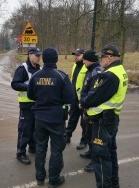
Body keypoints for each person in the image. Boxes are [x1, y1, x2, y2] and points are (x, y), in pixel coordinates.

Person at [79, 45, 128, 188]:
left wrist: (83, 103)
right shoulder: (120, 71)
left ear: (109, 57)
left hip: (102, 122)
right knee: (110, 154)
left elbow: (95, 96)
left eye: (102, 57)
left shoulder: (110, 75)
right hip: (111, 119)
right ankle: (114, 184)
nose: (100, 60)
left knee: (100, 159)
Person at [27, 48, 75, 187]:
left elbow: (30, 95)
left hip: (40, 119)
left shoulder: (36, 75)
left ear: (43, 59)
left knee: (40, 148)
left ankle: (40, 178)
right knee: (56, 149)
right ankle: (54, 179)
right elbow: (70, 98)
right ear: (56, 60)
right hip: (56, 119)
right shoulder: (61, 76)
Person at [11, 47, 42, 165]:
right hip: (26, 104)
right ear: (30, 55)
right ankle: (20, 153)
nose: (39, 57)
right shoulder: (22, 68)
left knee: (35, 128)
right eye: (37, 55)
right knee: (24, 129)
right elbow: (14, 84)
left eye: (40, 56)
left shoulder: (40, 69)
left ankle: (32, 147)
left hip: (37, 104)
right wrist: (29, 87)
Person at [78, 50, 103, 173]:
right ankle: (91, 152)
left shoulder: (97, 72)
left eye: (85, 60)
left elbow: (94, 93)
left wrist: (84, 103)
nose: (83, 62)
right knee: (87, 132)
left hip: (92, 110)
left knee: (94, 136)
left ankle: (95, 161)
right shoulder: (90, 70)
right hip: (86, 108)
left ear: (90, 60)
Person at [65, 48, 88, 150]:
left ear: (83, 56)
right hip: (74, 98)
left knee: (84, 123)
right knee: (72, 119)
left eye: (78, 55)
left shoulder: (87, 67)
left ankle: (84, 141)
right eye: (75, 55)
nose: (76, 57)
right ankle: (67, 136)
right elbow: (72, 81)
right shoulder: (75, 65)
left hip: (84, 99)